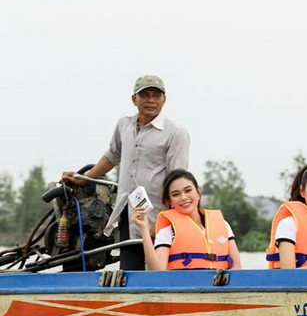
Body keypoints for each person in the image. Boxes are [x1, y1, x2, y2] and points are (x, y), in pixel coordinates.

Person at [62, 75, 190, 270]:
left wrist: (167, 218)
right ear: (134, 99)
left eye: (156, 95)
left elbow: (177, 180)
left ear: (164, 100)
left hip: (158, 213)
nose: (151, 100)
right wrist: (85, 179)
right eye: (144, 95)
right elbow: (112, 156)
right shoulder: (124, 125)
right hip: (127, 210)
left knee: (158, 268)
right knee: (130, 268)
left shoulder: (175, 133)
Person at [131, 168, 242, 270]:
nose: (183, 198)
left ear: (198, 193)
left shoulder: (223, 225)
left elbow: (237, 267)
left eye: (188, 190)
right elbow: (157, 272)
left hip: (218, 289)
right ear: (170, 202)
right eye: (176, 194)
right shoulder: (167, 232)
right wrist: (144, 228)